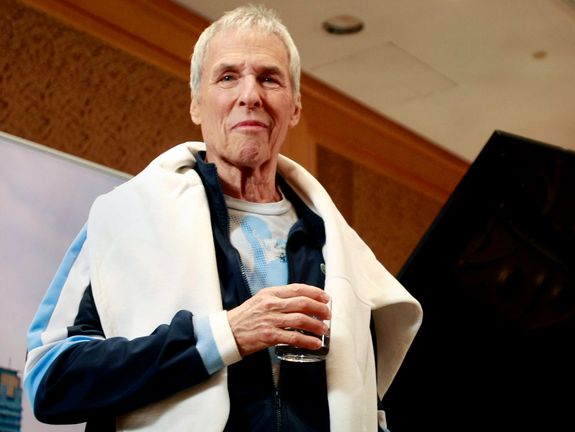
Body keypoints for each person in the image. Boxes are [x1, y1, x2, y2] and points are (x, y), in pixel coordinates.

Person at [23, 4, 422, 431]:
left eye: (269, 78)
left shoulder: (339, 247)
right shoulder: (120, 220)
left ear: (295, 108)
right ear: (196, 104)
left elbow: (368, 408)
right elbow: (51, 378)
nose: (250, 95)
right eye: (228, 76)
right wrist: (224, 336)